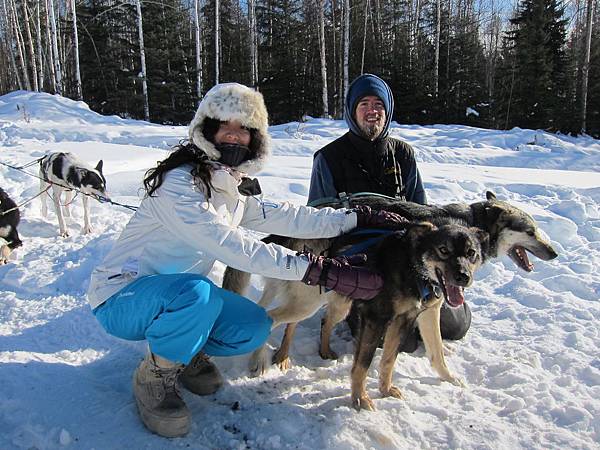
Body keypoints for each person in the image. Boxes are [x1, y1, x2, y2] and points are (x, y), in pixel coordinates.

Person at [86, 82, 408, 438]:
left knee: (252, 325)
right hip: (121, 296)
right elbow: (232, 246)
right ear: (208, 130)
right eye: (227, 126)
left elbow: (286, 215)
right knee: (195, 293)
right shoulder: (179, 185)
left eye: (245, 130)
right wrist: (320, 270)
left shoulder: (226, 187)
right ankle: (155, 375)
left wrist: (354, 217)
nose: (235, 137)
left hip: (177, 298)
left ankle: (184, 352)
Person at [308, 73, 471, 352]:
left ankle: (417, 309)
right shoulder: (328, 157)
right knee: (399, 341)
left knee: (456, 326)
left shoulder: (403, 154)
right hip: (358, 263)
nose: (373, 112)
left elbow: (423, 214)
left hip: (405, 258)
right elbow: (316, 219)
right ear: (351, 111)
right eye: (364, 105)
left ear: (388, 110)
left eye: (378, 105)